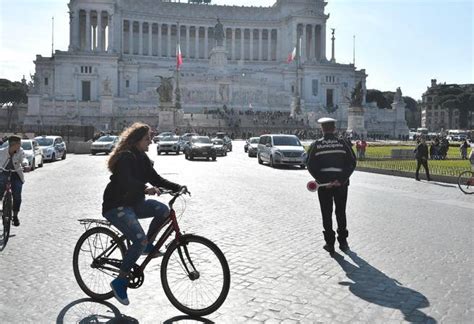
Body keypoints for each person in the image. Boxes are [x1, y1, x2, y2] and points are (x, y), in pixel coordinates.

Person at [102, 122, 186, 305]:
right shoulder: (126, 157)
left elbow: (156, 178)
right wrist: (145, 188)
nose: (151, 141)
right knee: (139, 240)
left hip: (134, 204)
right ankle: (120, 281)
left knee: (163, 210)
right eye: (147, 138)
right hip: (117, 206)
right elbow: (126, 181)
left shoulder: (142, 158)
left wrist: (177, 187)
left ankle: (148, 246)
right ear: (137, 140)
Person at [306, 118, 357, 254]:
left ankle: (330, 243)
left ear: (322, 129)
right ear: (334, 128)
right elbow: (352, 162)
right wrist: (341, 179)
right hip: (341, 185)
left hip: (323, 186)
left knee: (326, 213)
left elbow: (310, 165)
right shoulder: (343, 143)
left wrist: (323, 181)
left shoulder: (317, 145)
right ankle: (343, 242)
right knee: (341, 212)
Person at [0, 135, 26, 226]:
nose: (20, 145)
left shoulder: (20, 151)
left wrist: (26, 164)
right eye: (19, 143)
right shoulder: (2, 151)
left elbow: (24, 159)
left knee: (17, 194)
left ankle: (15, 216)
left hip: (16, 173)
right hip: (4, 171)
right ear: (13, 144)